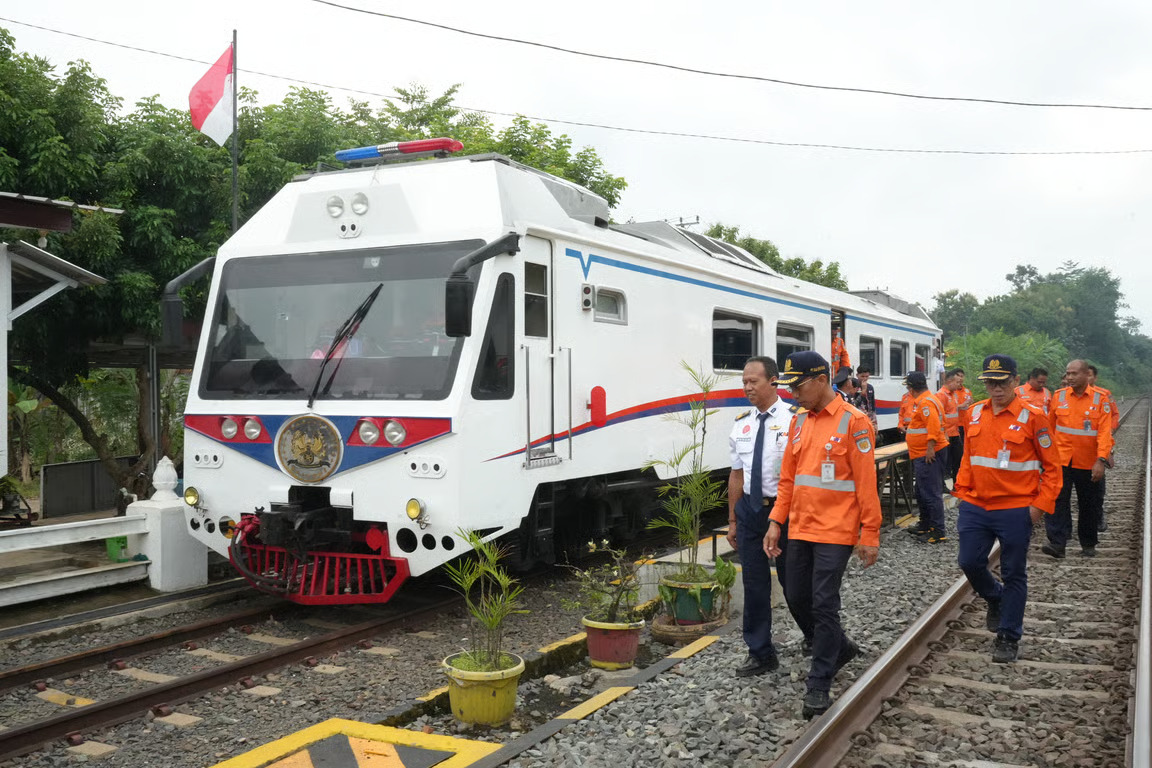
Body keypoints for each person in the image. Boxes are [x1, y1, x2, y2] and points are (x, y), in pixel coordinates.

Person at [764, 351, 881, 719]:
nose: (793, 394)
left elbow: (866, 483)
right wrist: (776, 521)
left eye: (797, 386)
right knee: (796, 596)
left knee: (823, 602)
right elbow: (789, 479)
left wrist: (870, 533)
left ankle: (819, 681)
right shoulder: (799, 422)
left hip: (836, 530)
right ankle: (839, 647)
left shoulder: (854, 422)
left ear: (819, 380)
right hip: (800, 526)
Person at [953, 354, 1062, 663]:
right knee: (970, 562)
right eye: (990, 382)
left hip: (1015, 508)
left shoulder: (1033, 417)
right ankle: (995, 598)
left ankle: (1008, 636)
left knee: (1014, 572)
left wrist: (1039, 507)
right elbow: (968, 458)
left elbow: (1053, 468)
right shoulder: (974, 414)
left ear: (1016, 381)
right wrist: (962, 491)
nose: (996, 389)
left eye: (1002, 382)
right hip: (976, 505)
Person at [726, 356, 804, 676]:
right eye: (744, 382)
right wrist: (732, 519)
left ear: (773, 381)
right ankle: (760, 652)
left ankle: (816, 636)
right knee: (754, 584)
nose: (747, 387)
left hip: (784, 510)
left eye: (753, 381)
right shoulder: (741, 423)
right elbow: (736, 475)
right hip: (750, 511)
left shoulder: (795, 419)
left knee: (794, 583)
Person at [1043, 360, 1114, 559]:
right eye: (1068, 374)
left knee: (1088, 504)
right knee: (1057, 501)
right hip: (1061, 460)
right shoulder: (1059, 397)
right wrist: (1046, 457)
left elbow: (1104, 433)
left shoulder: (1100, 399)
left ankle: (1088, 544)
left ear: (1086, 374)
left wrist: (1101, 460)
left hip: (1088, 462)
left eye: (1074, 373)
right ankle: (1058, 543)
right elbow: (1049, 428)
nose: (1070, 377)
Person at [906, 372, 949, 543]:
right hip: (924, 453)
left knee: (930, 492)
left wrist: (930, 446)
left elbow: (933, 424)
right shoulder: (928, 399)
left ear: (911, 388)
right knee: (922, 490)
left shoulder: (925, 403)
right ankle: (925, 524)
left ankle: (937, 531)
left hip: (928, 453)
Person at [1085, 364, 1118, 532]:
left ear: (1094, 377)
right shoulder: (1067, 395)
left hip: (1099, 448)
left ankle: (1098, 518)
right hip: (1076, 452)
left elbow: (1114, 415)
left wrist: (1108, 437)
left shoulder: (1104, 395)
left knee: (1097, 488)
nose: (1087, 378)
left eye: (1089, 375)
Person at [937, 370, 963, 484]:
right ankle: (941, 484)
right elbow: (939, 416)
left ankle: (957, 484)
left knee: (957, 460)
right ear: (949, 381)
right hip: (946, 434)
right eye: (957, 382)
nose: (959, 385)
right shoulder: (941, 395)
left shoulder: (954, 394)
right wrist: (944, 433)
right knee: (944, 462)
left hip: (955, 433)